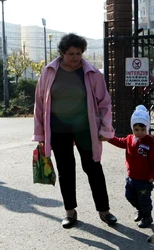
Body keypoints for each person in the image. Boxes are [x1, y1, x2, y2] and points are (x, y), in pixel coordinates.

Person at [32, 33, 117, 229]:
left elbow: (104, 103)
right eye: (71, 53)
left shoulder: (92, 73)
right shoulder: (49, 71)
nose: (75, 57)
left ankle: (104, 211)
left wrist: (105, 128)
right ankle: (70, 211)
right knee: (66, 171)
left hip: (85, 129)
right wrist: (41, 135)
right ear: (62, 53)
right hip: (58, 130)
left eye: (79, 53)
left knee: (94, 168)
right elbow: (39, 103)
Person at [108, 105, 154, 228]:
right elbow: (119, 142)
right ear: (132, 128)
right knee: (129, 196)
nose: (139, 132)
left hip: (144, 180)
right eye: (136, 129)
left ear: (147, 128)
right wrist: (108, 138)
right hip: (131, 177)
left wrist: (153, 175)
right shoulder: (130, 139)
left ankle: (147, 216)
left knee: (144, 199)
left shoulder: (150, 142)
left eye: (142, 129)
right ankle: (140, 210)